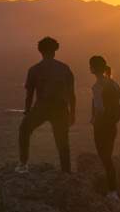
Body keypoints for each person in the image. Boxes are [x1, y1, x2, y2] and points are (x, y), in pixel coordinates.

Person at [16, 37, 76, 173]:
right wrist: (72, 113)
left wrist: (27, 111)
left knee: (24, 130)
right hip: (60, 108)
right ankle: (66, 172)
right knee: (63, 142)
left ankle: (23, 163)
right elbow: (72, 94)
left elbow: (29, 95)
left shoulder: (34, 70)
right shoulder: (64, 68)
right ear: (55, 51)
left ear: (40, 51)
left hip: (41, 107)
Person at [89, 55, 120, 200]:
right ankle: (112, 190)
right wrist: (118, 116)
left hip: (101, 126)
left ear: (93, 68)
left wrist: (94, 120)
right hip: (112, 125)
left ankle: (112, 191)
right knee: (108, 157)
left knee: (105, 158)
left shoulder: (97, 86)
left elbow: (99, 109)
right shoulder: (113, 83)